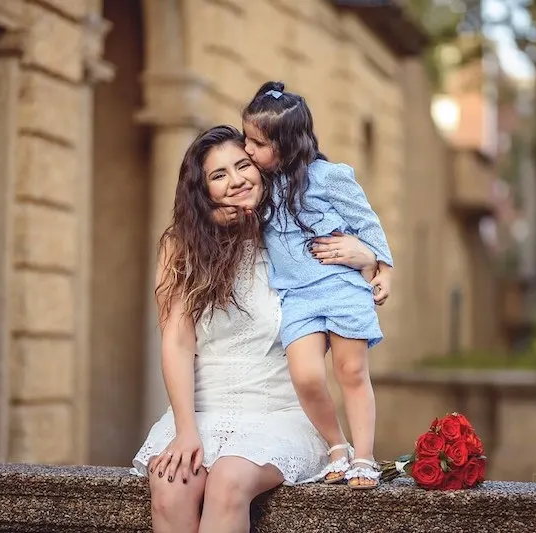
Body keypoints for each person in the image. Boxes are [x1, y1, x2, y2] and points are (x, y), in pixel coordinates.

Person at [130, 125, 387, 533]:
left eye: (243, 165)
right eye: (218, 175)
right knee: (170, 485)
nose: (235, 181)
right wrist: (184, 431)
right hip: (200, 410)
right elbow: (177, 343)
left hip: (278, 413)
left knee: (228, 484)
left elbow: (348, 305)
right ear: (203, 190)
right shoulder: (182, 246)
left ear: (263, 167)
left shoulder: (296, 236)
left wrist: (366, 257)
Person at [242, 81, 394, 489]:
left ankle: (364, 455)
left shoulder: (328, 177)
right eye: (246, 139)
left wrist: (382, 268)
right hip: (296, 297)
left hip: (341, 288)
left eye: (257, 143)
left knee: (351, 371)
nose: (248, 150)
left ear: (287, 143)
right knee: (306, 376)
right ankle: (336, 446)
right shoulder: (260, 186)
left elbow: (367, 222)